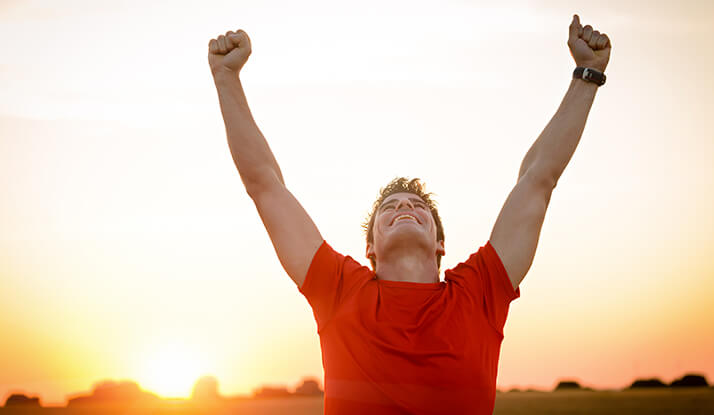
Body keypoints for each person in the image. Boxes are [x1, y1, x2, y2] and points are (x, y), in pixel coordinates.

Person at [208, 13, 611, 415]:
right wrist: (227, 77)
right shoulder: (339, 291)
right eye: (391, 207)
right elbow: (265, 185)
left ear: (440, 243)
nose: (404, 206)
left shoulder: (480, 293)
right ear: (370, 247)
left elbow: (538, 179)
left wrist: (587, 75)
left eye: (418, 206)